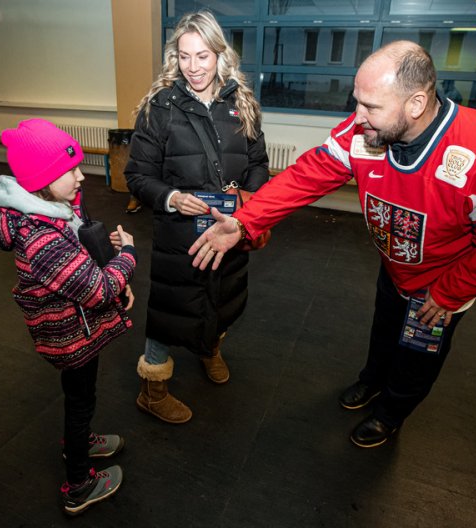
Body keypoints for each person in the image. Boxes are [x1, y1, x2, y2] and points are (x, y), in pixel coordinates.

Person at [189, 40, 476, 448]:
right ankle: (371, 382)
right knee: (385, 332)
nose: (357, 117)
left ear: (416, 103)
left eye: (371, 106)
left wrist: (449, 295)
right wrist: (245, 222)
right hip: (394, 269)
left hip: (444, 285)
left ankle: (391, 414)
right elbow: (307, 176)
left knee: (417, 358)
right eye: (357, 102)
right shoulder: (363, 134)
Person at [124, 10, 269, 424]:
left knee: (223, 296)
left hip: (230, 228)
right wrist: (171, 197)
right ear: (175, 57)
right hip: (180, 235)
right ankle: (152, 389)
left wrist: (247, 196)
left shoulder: (242, 102)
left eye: (202, 56)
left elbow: (258, 163)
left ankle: (210, 348)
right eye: (185, 57)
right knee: (171, 308)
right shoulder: (160, 107)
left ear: (220, 55)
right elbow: (136, 175)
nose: (193, 67)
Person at [0, 119, 138, 514]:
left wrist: (107, 254)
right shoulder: (40, 234)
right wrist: (129, 258)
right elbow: (97, 290)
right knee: (80, 400)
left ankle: (80, 440)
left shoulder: (51, 212)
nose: (80, 176)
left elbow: (78, 255)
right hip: (72, 335)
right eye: (68, 170)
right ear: (41, 178)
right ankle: (78, 484)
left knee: (80, 395)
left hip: (77, 328)